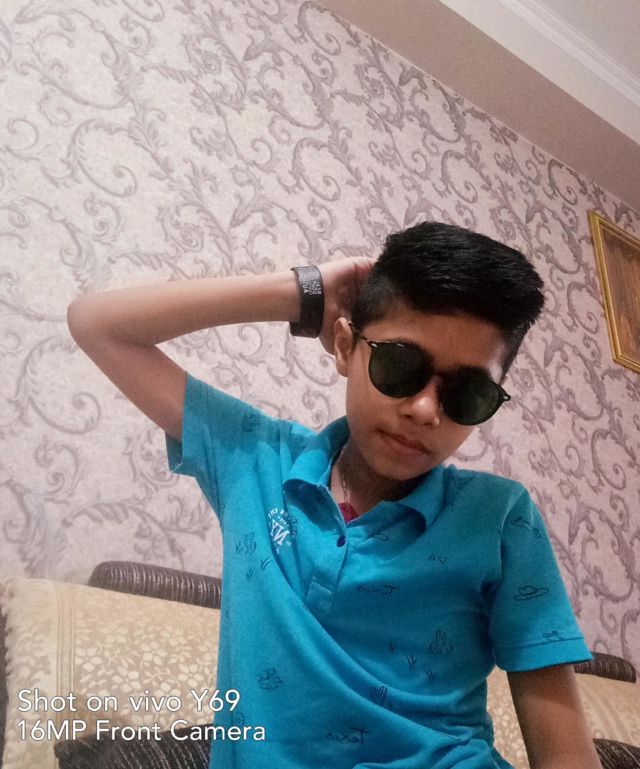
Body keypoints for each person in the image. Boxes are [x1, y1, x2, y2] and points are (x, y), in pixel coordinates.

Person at [67, 221, 602, 769]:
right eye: (400, 364)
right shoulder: (255, 459)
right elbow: (96, 323)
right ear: (346, 348)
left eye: (468, 392)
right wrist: (305, 293)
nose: (425, 410)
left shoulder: (499, 517)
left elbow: (565, 753)